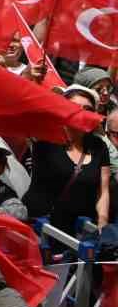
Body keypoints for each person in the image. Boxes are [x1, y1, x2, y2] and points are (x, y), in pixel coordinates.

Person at [24, 84, 110, 233]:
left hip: (79, 230)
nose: (80, 112)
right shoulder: (45, 137)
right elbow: (29, 109)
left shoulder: (98, 146)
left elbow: (103, 191)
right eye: (74, 106)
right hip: (41, 226)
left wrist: (103, 222)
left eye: (87, 109)